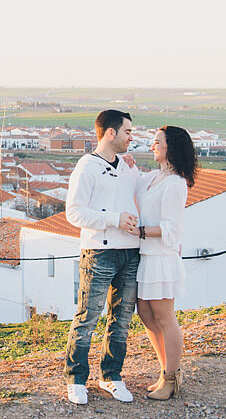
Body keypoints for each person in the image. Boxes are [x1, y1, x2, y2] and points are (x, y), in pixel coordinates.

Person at [62, 109, 141, 405]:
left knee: (121, 320)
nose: (131, 137)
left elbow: (142, 194)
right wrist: (114, 219)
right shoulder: (86, 167)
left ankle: (111, 376)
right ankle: (76, 379)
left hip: (130, 253)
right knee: (88, 317)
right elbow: (74, 212)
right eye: (127, 132)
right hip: (99, 252)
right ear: (111, 133)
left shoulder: (129, 166)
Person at [131, 125, 196, 400]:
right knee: (146, 316)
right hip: (147, 256)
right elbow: (134, 182)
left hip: (161, 258)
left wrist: (141, 231)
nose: (152, 146)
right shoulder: (153, 178)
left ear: (171, 146)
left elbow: (172, 228)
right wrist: (128, 164)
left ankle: (172, 378)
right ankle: (163, 372)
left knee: (165, 318)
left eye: (157, 142)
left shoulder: (176, 184)